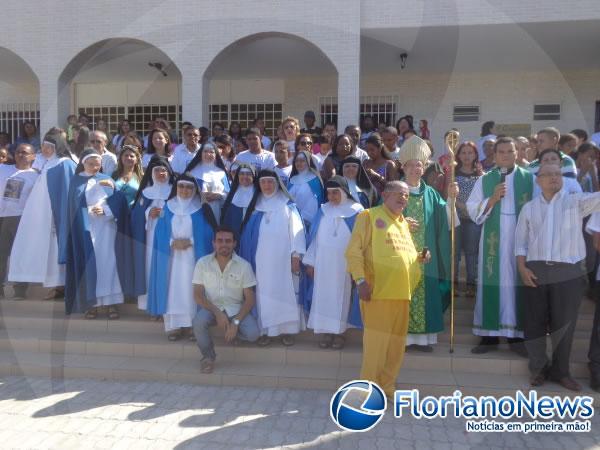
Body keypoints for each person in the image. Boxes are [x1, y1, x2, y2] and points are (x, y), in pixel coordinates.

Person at [516, 163, 600, 391]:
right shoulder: (529, 208)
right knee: (534, 323)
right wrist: (522, 269)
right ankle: (538, 369)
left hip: (568, 273)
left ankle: (561, 372)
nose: (554, 178)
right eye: (548, 174)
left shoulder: (575, 202)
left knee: (565, 325)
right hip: (536, 270)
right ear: (538, 180)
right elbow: (520, 243)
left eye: (557, 174)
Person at [346, 180, 428, 398]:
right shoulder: (368, 216)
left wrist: (419, 258)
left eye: (406, 196)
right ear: (385, 195)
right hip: (377, 293)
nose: (403, 198)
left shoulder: (403, 223)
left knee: (395, 348)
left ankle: (387, 388)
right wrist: (360, 281)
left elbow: (404, 255)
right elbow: (354, 252)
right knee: (376, 348)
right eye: (399, 194)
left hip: (402, 294)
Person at [466, 137, 534, 355]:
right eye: (501, 152)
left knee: (517, 285)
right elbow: (472, 209)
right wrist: (492, 198)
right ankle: (489, 336)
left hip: (520, 238)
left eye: (510, 151)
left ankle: (517, 338)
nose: (505, 155)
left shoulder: (529, 178)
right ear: (494, 156)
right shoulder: (485, 180)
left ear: (517, 153)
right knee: (491, 282)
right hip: (493, 240)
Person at [400, 136, 458, 351]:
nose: (415, 169)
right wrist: (400, 221)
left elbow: (447, 219)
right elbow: (381, 218)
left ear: (424, 168)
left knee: (426, 294)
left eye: (419, 165)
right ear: (403, 167)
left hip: (427, 257)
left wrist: (451, 199)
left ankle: (423, 340)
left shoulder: (432, 194)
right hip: (401, 256)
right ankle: (404, 339)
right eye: (411, 165)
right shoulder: (394, 191)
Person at [239, 170, 306, 347]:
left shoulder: (287, 206)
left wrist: (296, 255)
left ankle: (288, 330)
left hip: (283, 261)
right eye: (263, 183)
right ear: (259, 185)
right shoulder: (255, 207)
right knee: (263, 295)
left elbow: (297, 232)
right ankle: (265, 331)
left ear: (277, 184)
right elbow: (247, 235)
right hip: (260, 263)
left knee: (285, 293)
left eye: (270, 182)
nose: (267, 186)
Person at [147, 174, 217, 341]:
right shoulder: (167, 208)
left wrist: (190, 241)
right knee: (171, 289)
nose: (185, 190)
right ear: (176, 188)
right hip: (171, 258)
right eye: (181, 186)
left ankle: (195, 325)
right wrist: (172, 242)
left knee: (192, 290)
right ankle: (174, 326)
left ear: (194, 190)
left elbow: (208, 234)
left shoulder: (201, 209)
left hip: (193, 257)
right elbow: (159, 233)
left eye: (189, 187)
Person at [64, 149, 131, 319]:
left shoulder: (107, 179)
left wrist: (106, 210)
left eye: (97, 164)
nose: (95, 167)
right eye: (91, 163)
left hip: (107, 229)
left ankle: (110, 303)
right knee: (89, 265)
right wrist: (86, 211)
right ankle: (91, 303)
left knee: (108, 263)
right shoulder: (75, 181)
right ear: (83, 163)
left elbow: (119, 203)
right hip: (85, 230)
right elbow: (72, 208)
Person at [9, 133, 77, 300]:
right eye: (44, 146)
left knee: (56, 250)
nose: (45, 149)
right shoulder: (47, 164)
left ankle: (62, 287)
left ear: (57, 147)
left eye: (49, 146)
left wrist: (59, 216)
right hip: (38, 215)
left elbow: (67, 192)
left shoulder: (65, 164)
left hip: (53, 215)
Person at [304, 176, 364, 349]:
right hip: (323, 263)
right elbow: (314, 238)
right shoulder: (323, 210)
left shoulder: (356, 211)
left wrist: (357, 267)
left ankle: (339, 334)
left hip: (344, 264)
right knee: (323, 297)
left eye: (335, 193)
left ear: (345, 193)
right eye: (329, 193)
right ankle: (325, 332)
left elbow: (361, 241)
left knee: (342, 297)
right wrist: (310, 262)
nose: (331, 197)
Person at [191, 226, 260, 373]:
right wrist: (217, 313)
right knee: (198, 322)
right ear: (214, 243)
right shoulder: (202, 264)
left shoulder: (244, 266)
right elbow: (197, 295)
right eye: (220, 241)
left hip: (236, 309)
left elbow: (250, 299)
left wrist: (235, 323)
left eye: (228, 241)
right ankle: (208, 357)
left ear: (234, 243)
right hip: (211, 307)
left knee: (254, 334)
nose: (224, 244)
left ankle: (234, 333)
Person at [130, 156, 174, 312]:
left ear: (169, 172)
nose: (161, 173)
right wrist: (148, 212)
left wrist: (167, 213)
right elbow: (136, 215)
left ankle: (167, 305)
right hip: (150, 236)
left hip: (170, 237)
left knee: (168, 267)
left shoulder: (176, 191)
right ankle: (151, 305)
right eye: (157, 170)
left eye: (164, 170)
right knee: (150, 266)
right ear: (151, 173)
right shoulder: (146, 192)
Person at [0, 144, 38, 299]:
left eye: (25, 152)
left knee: (20, 254)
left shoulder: (36, 176)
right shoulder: (3, 169)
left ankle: (20, 289)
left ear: (33, 156)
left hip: (20, 218)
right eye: (18, 152)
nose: (21, 155)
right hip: (1, 216)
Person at [453, 141, 484, 297]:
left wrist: (470, 209)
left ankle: (472, 285)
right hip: (456, 219)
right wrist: (459, 205)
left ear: (475, 155)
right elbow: (448, 196)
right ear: (458, 155)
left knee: (472, 253)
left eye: (470, 152)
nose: (466, 156)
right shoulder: (453, 174)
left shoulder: (481, 176)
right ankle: (454, 285)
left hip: (473, 220)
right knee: (455, 253)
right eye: (463, 152)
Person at [185, 143, 230, 222]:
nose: (208, 154)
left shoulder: (221, 173)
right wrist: (200, 195)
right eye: (205, 151)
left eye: (212, 152)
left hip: (216, 211)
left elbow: (228, 194)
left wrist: (219, 196)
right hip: (196, 210)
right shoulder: (192, 173)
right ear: (200, 154)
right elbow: (183, 193)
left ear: (216, 155)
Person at [287, 150, 324, 230]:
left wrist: (305, 218)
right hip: (292, 220)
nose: (299, 163)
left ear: (308, 162)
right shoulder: (291, 179)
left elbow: (315, 202)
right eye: (297, 161)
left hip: (310, 221)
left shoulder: (315, 180)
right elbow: (287, 200)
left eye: (302, 161)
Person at [220, 165, 256, 236]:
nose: (245, 177)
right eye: (241, 174)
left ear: (253, 176)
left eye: (248, 174)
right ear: (238, 176)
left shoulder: (258, 194)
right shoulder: (232, 193)